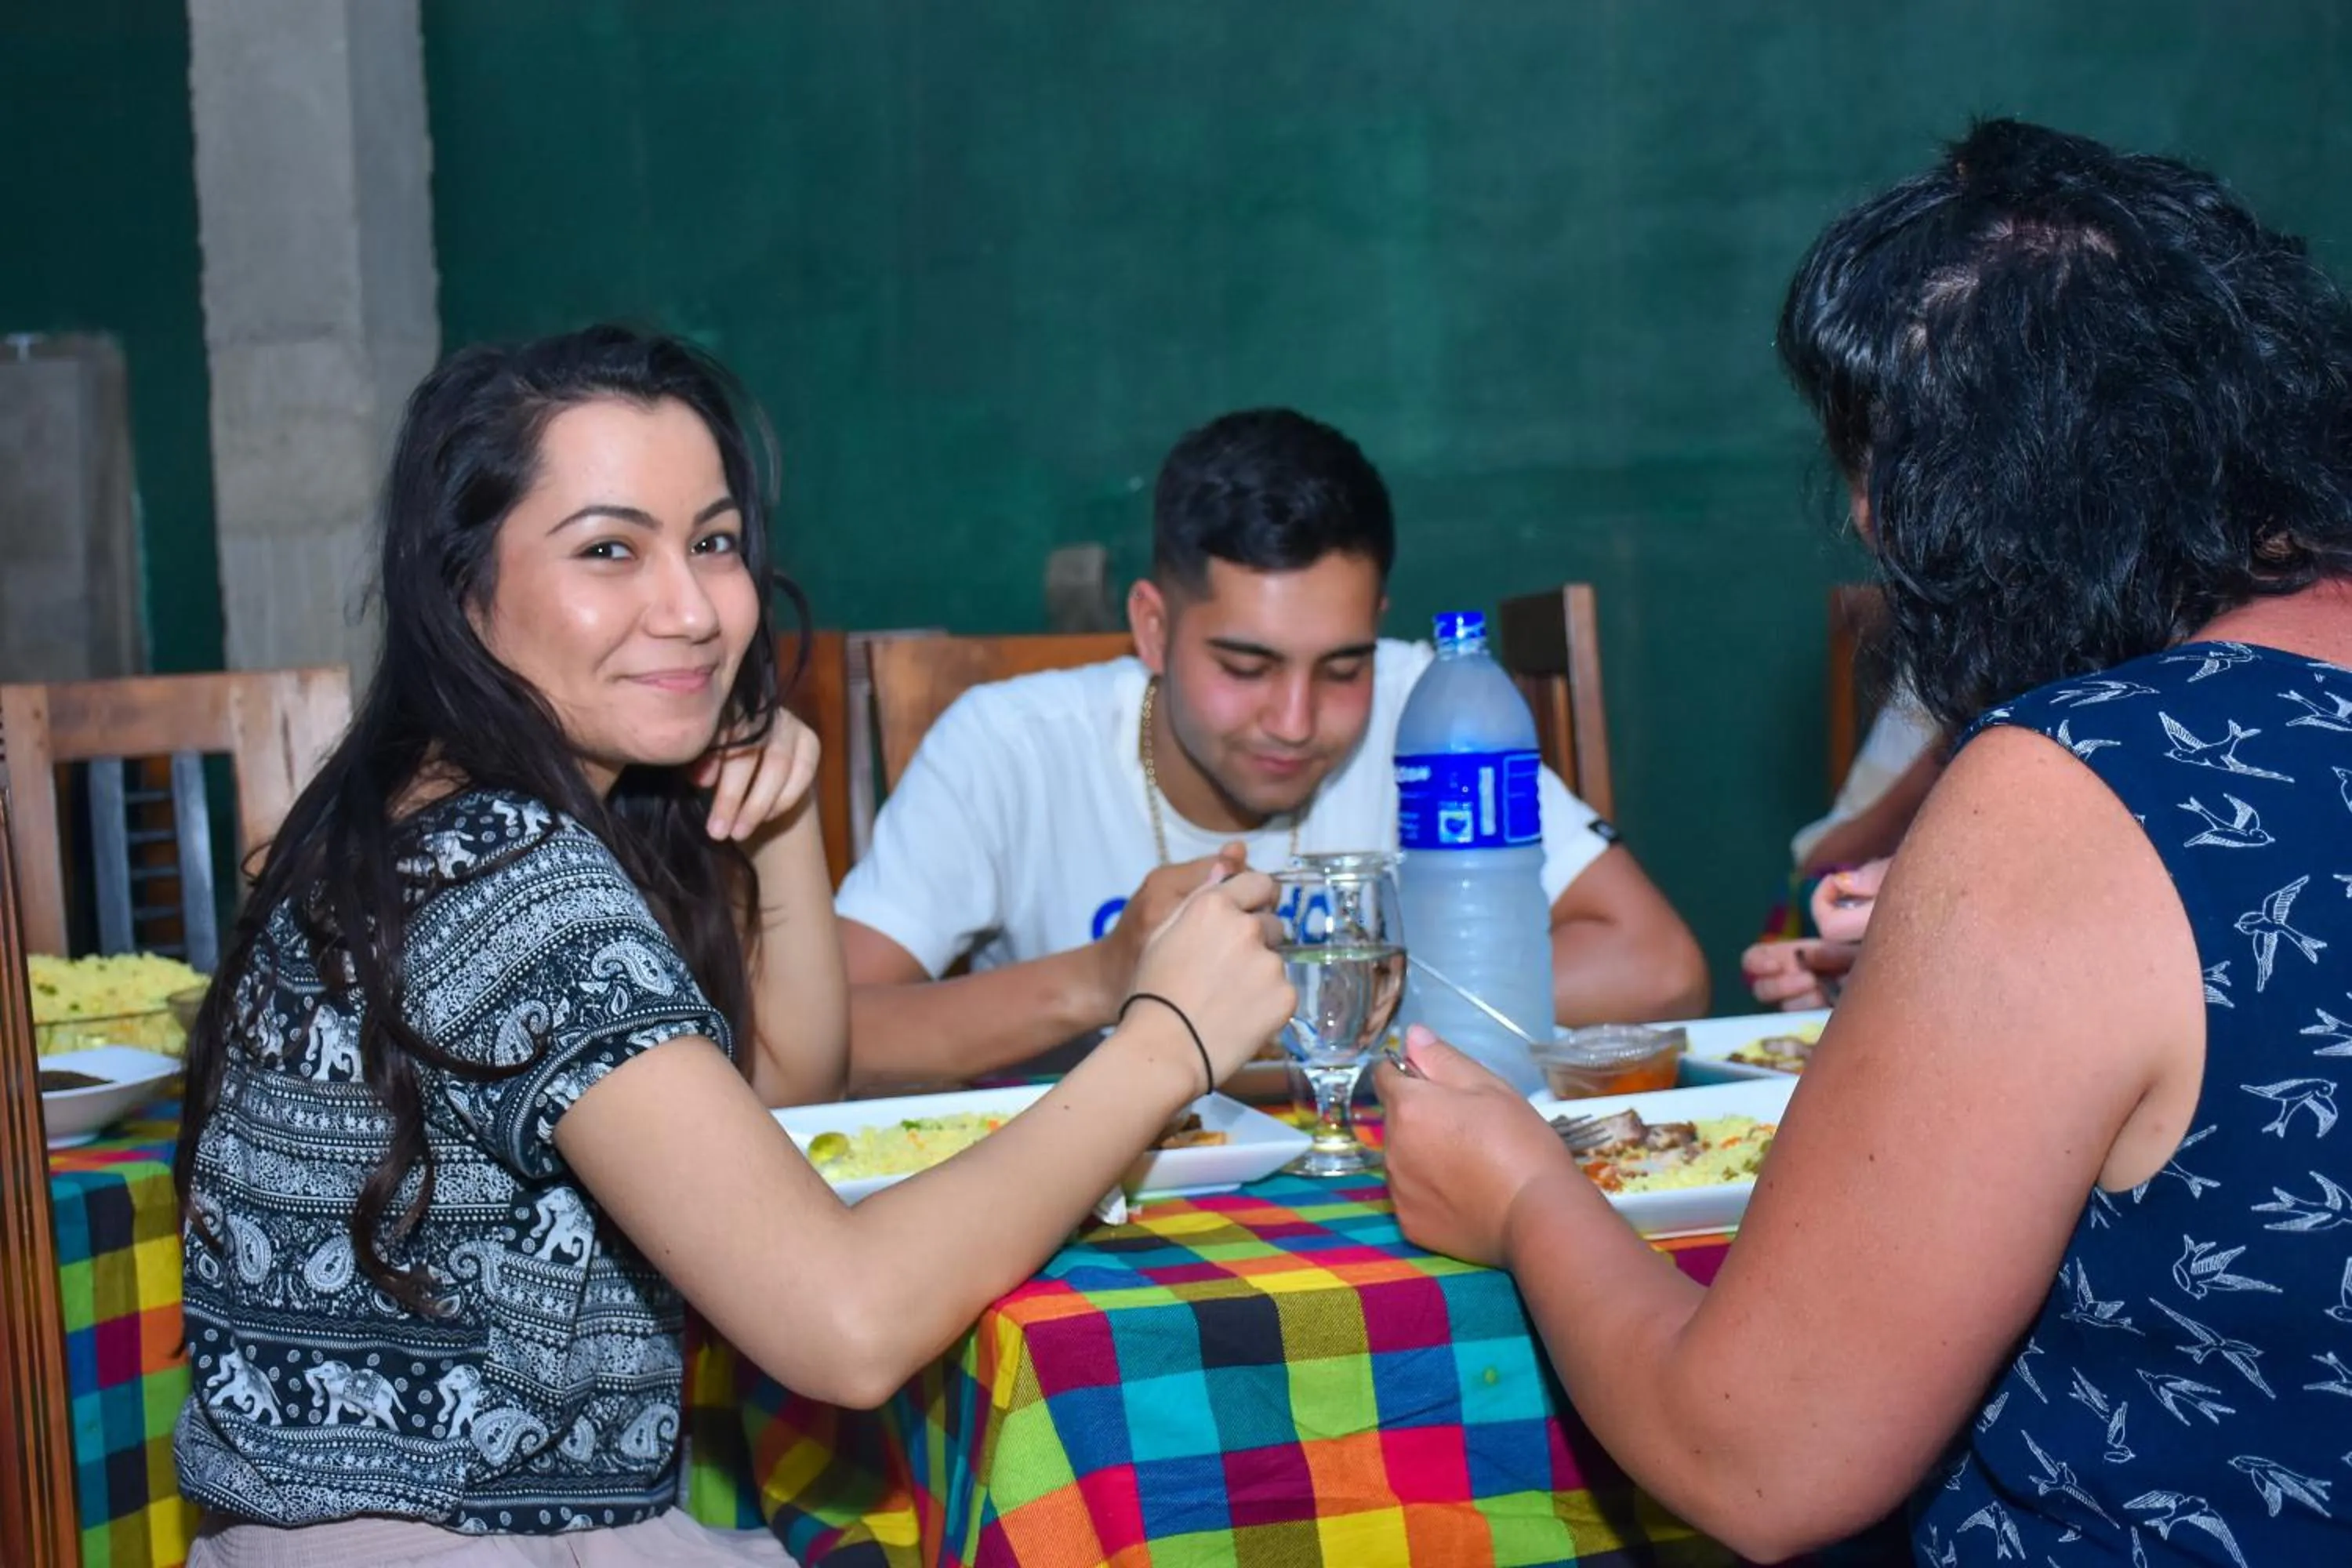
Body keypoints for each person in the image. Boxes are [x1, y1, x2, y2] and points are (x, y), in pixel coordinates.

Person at [1376, 119, 2352, 1564]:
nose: (1864, 523)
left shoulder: (2082, 784)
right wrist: (1942, 990)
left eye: (1875, 482)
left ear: (1987, 499)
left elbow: (1759, 1458)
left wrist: (1522, 1192)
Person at [172, 327, 1293, 1565]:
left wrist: (780, 826)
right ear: (463, 588)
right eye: (610, 550)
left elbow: (778, 1095)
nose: (696, 610)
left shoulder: (434, 814)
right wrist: (1166, 1045)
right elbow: (846, 1324)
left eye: (712, 542)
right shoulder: (502, 876)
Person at [837, 408, 1709, 1088]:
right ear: (1152, 625)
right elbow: (830, 1036)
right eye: (1246, 665)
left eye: (1341, 667)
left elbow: (1660, 968)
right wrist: (1104, 978)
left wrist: (1342, 997)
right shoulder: (1008, 746)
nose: (1295, 720)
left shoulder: (1431, 710)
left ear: (1378, 628)